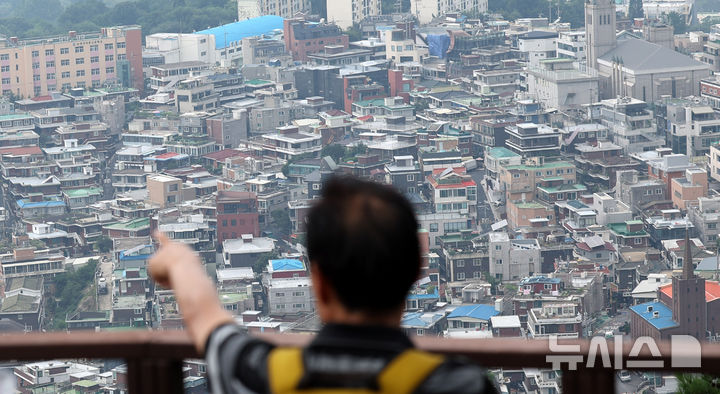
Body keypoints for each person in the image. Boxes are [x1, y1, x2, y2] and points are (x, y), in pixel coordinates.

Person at [149, 176, 497, 394]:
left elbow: (206, 319)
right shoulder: (456, 385)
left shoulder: (259, 375)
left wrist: (178, 260)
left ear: (318, 281)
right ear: (416, 273)